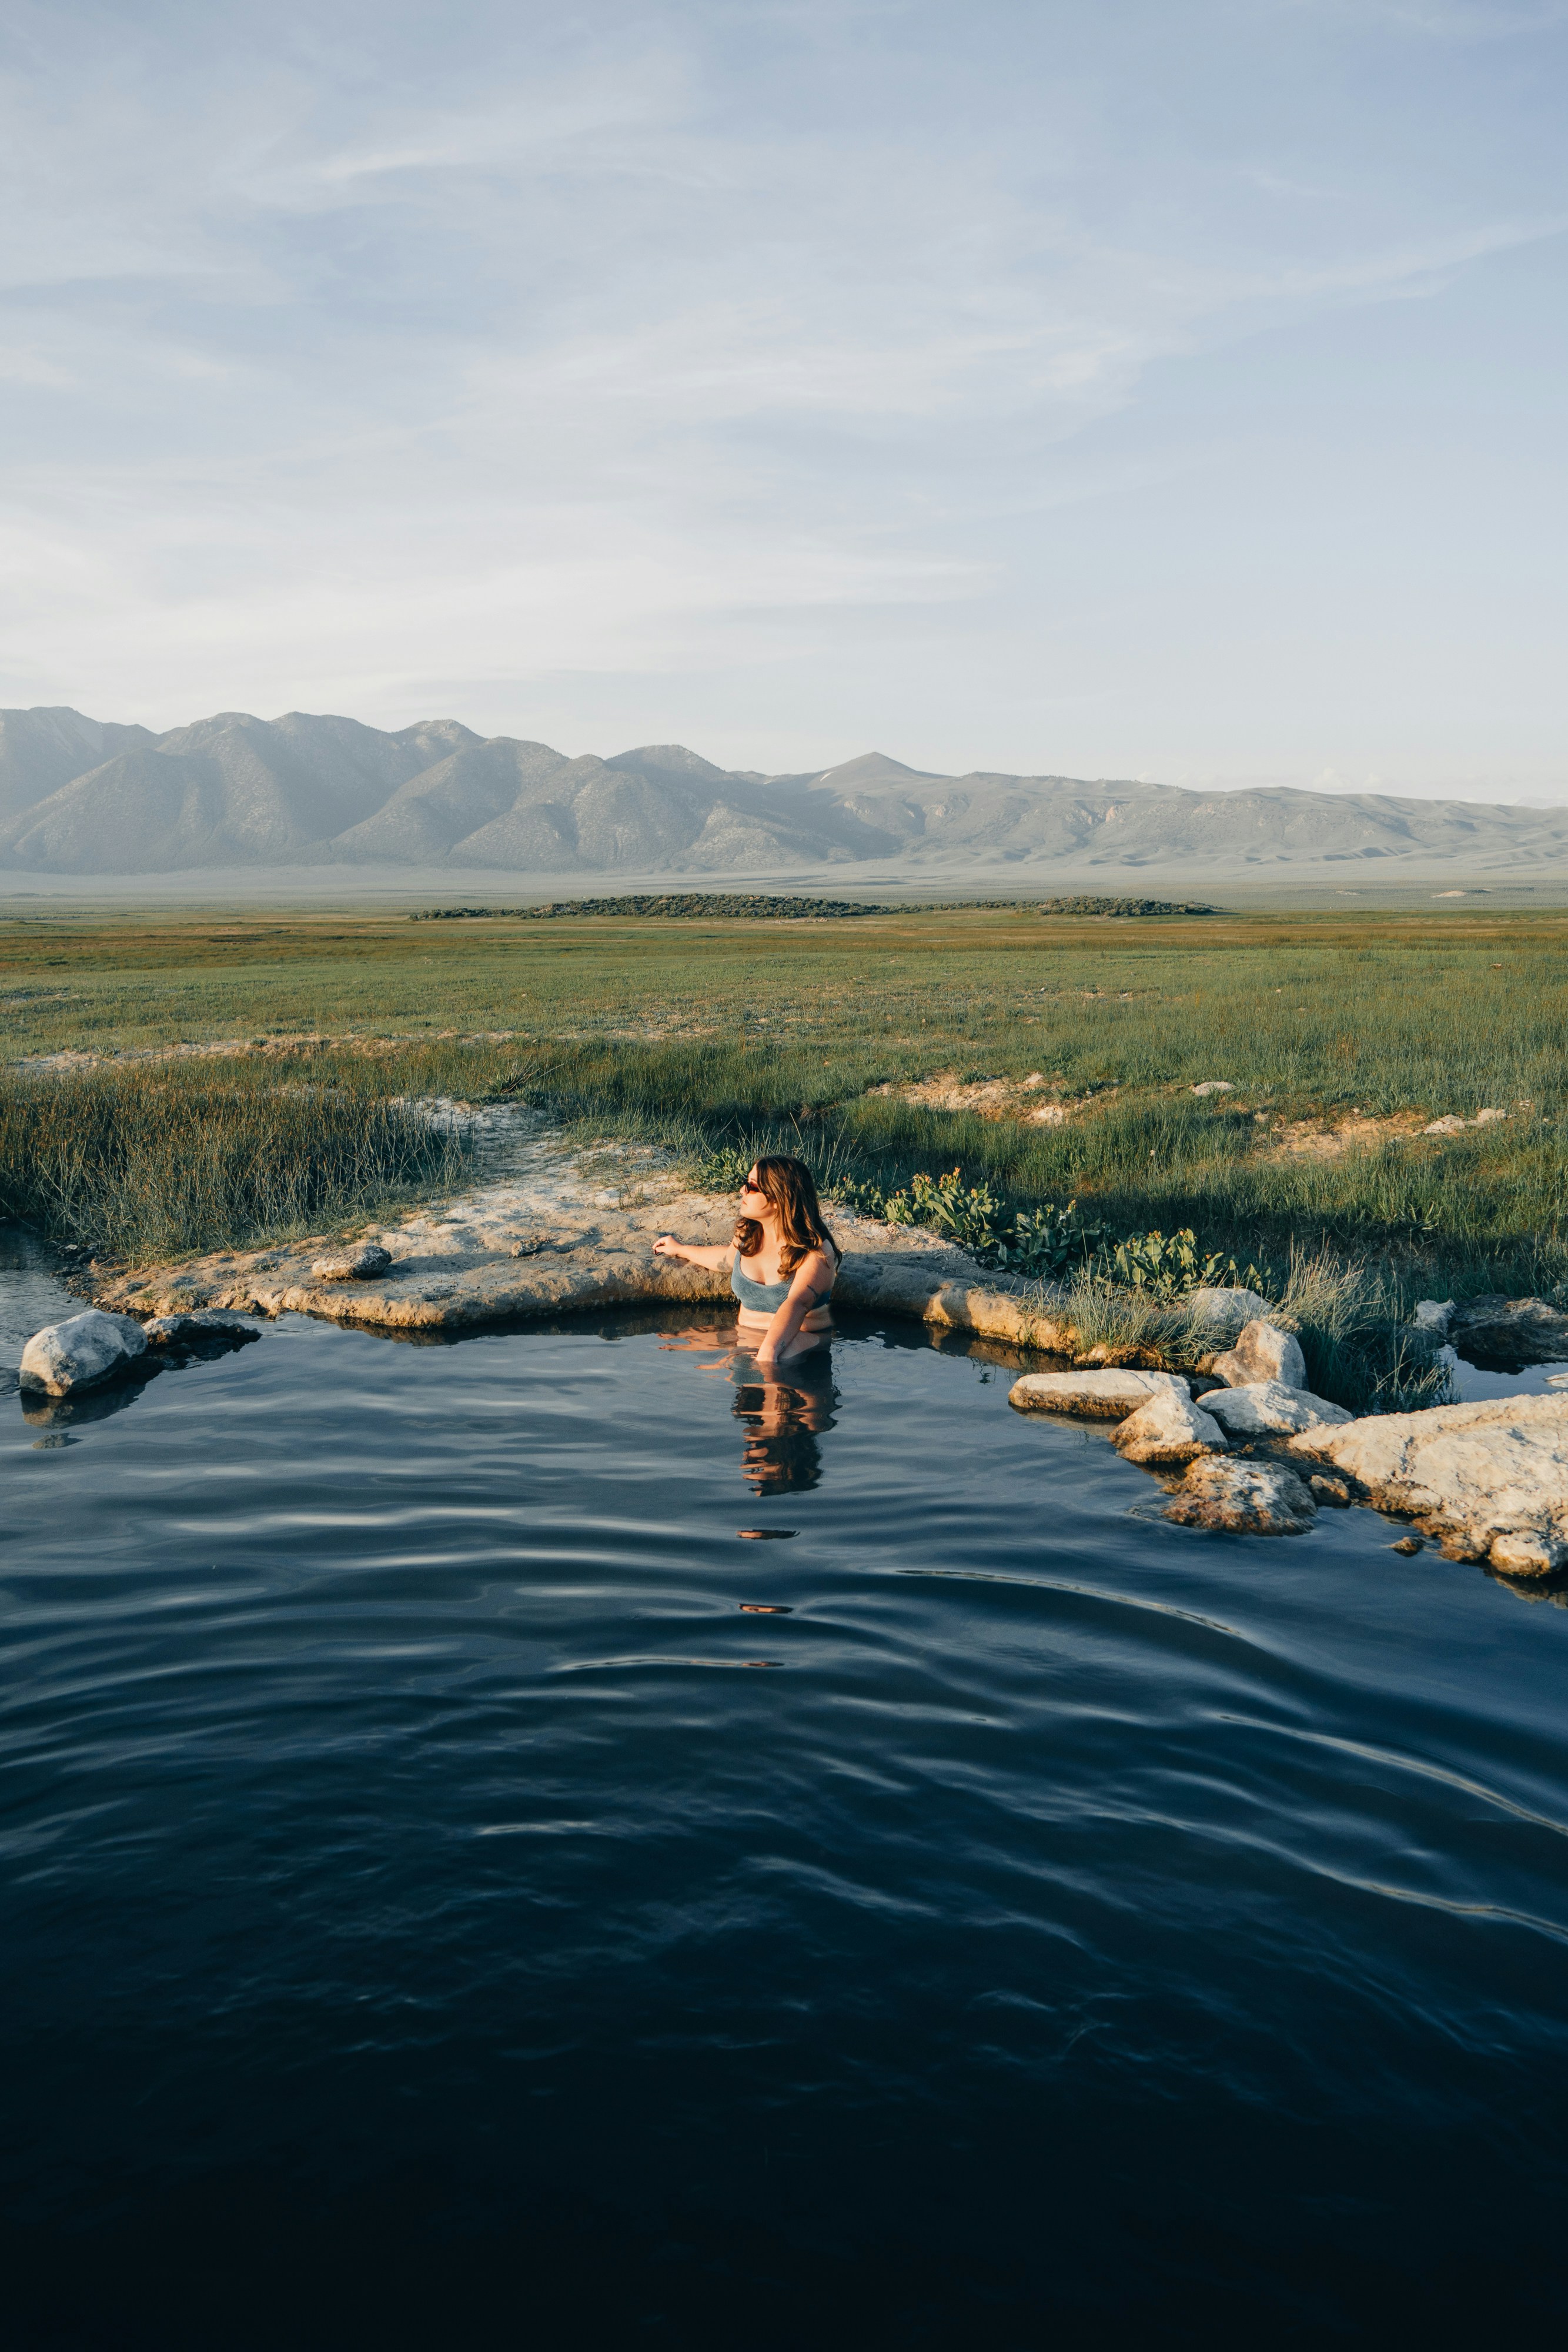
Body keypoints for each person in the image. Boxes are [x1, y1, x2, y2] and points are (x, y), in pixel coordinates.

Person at [653, 1154, 841, 1368]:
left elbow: (797, 1304)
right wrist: (680, 1249)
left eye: (751, 1186)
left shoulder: (816, 1252)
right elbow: (726, 1259)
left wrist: (767, 1355)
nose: (742, 1191)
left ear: (779, 1198)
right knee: (691, 1357)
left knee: (771, 1365)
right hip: (745, 1339)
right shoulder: (749, 1234)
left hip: (799, 1349)